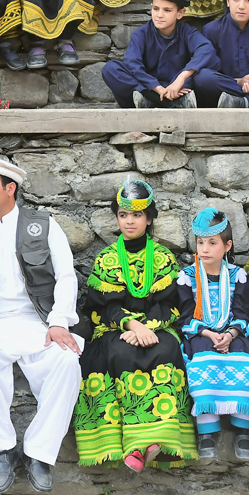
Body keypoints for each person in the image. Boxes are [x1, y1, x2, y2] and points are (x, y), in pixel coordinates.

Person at [0, 135, 82, 493]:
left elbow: (67, 275)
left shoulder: (44, 225)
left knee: (68, 361)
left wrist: (57, 322)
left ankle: (39, 452)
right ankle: (2, 451)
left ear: (11, 188)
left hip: (39, 322)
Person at [73, 180, 196, 470]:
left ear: (149, 218)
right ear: (117, 218)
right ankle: (134, 446)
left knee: (167, 349)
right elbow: (100, 308)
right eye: (123, 214)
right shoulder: (107, 259)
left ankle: (158, 444)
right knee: (118, 353)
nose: (129, 221)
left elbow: (172, 305)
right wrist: (132, 327)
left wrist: (148, 328)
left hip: (157, 329)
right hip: (116, 330)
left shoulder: (164, 258)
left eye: (137, 215)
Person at [178, 208, 249, 460]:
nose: (204, 249)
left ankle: (243, 429)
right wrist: (208, 334)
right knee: (201, 354)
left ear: (227, 245)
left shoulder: (237, 276)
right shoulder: (186, 277)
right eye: (200, 242)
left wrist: (230, 335)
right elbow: (185, 317)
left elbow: (242, 313)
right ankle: (207, 430)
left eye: (212, 243)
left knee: (242, 354)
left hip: (232, 332)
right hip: (201, 333)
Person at [103, 0, 220, 108]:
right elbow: (132, 64)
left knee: (202, 73)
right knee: (111, 69)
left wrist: (181, 79)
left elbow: (206, 49)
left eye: (167, 10)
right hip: (148, 88)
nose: (159, 15)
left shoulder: (187, 32)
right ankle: (161, 100)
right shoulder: (141, 34)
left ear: (180, 13)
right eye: (156, 8)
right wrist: (157, 88)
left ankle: (160, 100)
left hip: (177, 88)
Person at [199, 0, 249, 106]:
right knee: (202, 78)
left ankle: (241, 102)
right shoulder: (211, 30)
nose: (241, 6)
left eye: (248, 0)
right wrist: (239, 82)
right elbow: (207, 71)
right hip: (225, 90)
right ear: (227, 0)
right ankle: (241, 100)